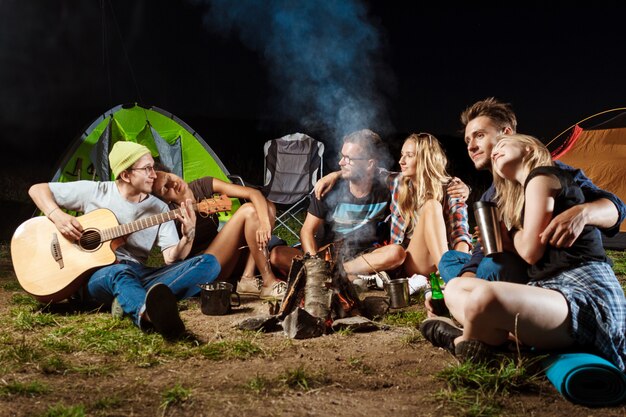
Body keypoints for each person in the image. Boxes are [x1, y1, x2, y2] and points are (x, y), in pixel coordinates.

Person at [420, 134, 626, 371]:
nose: (495, 152)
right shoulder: (513, 193)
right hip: (549, 293)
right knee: (455, 287)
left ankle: (462, 341)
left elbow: (530, 252)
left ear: (528, 148)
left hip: (585, 295)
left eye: (503, 145)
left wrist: (507, 237)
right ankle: (498, 341)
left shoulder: (542, 176)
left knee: (484, 297)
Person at [28, 141, 221, 339]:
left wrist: (188, 235)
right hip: (97, 275)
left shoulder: (160, 209)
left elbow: (171, 258)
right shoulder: (96, 191)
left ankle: (128, 296)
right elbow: (37, 190)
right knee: (120, 272)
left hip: (139, 273)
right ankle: (147, 314)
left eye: (153, 168)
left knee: (209, 263)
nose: (154, 175)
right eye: (147, 169)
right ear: (126, 175)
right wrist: (58, 216)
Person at [437, 97, 626, 284]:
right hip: (509, 260)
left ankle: (477, 292)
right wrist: (465, 280)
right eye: (467, 140)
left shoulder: (551, 173)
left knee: (491, 266)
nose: (471, 147)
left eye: (479, 135)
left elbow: (617, 209)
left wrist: (583, 213)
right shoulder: (491, 195)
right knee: (450, 259)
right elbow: (484, 248)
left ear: (507, 133)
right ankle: (472, 291)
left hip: (542, 269)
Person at [272, 129, 405, 286]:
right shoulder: (328, 189)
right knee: (277, 255)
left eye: (349, 159)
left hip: (363, 257)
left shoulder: (386, 187)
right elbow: (307, 231)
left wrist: (336, 174)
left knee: (396, 253)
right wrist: (316, 265)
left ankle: (337, 275)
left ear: (370, 164)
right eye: (342, 156)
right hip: (326, 254)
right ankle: (345, 277)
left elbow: (409, 176)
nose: (341, 162)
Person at [151, 168, 286, 299]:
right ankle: (268, 281)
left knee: (267, 207)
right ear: (165, 201)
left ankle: (248, 277)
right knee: (249, 210)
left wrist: (265, 224)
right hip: (207, 267)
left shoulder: (201, 185)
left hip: (226, 254)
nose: (173, 184)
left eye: (169, 178)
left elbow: (254, 193)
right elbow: (172, 258)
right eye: (166, 188)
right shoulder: (168, 214)